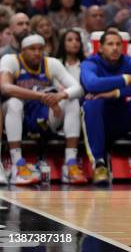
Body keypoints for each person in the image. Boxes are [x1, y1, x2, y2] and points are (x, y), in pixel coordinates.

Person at [0, 33, 85, 185]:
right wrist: (39, 96)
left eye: (40, 49)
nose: (37, 53)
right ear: (22, 51)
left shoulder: (50, 63)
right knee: (14, 102)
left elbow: (78, 88)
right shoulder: (10, 60)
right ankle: (18, 165)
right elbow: (5, 88)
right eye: (32, 49)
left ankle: (70, 164)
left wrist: (60, 96)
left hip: (42, 115)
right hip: (17, 116)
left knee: (72, 101)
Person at [80, 30, 131, 185]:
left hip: (123, 116)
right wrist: (124, 79)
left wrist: (114, 93)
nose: (115, 48)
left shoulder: (129, 61)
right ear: (100, 48)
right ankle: (99, 165)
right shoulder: (90, 63)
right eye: (110, 44)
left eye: (118, 44)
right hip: (100, 119)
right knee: (91, 103)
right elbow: (91, 84)